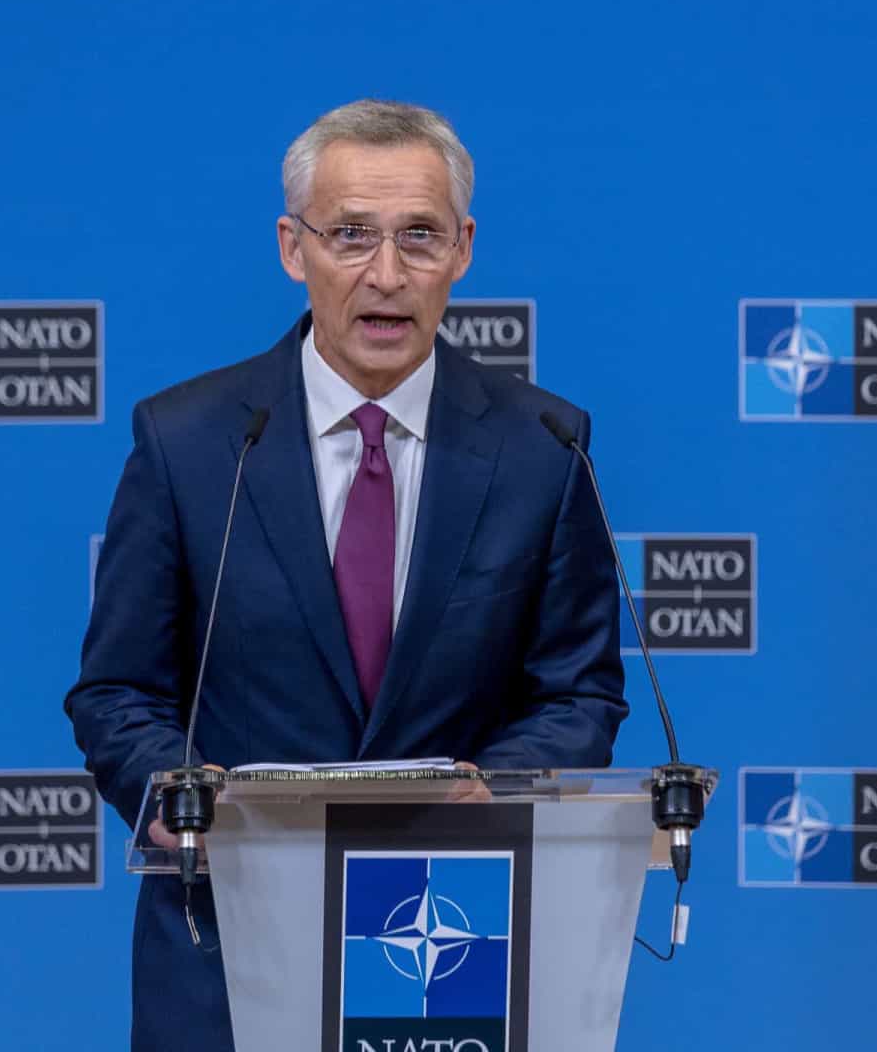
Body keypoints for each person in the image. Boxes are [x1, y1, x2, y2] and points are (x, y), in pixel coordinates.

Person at [65, 99, 627, 1052]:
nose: (387, 274)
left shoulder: (543, 446)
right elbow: (117, 691)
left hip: (453, 936)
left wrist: (493, 791)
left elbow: (579, 694)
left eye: (420, 236)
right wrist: (181, 796)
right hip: (232, 943)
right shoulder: (190, 442)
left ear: (463, 250)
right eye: (352, 235)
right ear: (294, 248)